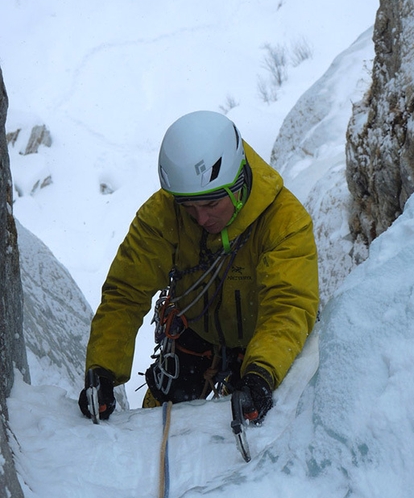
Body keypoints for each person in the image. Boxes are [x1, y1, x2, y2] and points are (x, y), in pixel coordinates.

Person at [79, 110, 319, 423]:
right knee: (160, 421)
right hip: (194, 331)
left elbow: (288, 306)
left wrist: (261, 374)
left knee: (260, 417)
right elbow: (127, 291)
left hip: (261, 339)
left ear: (239, 183)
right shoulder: (164, 214)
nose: (201, 219)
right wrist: (103, 371)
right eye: (189, 207)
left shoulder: (284, 222)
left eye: (211, 204)